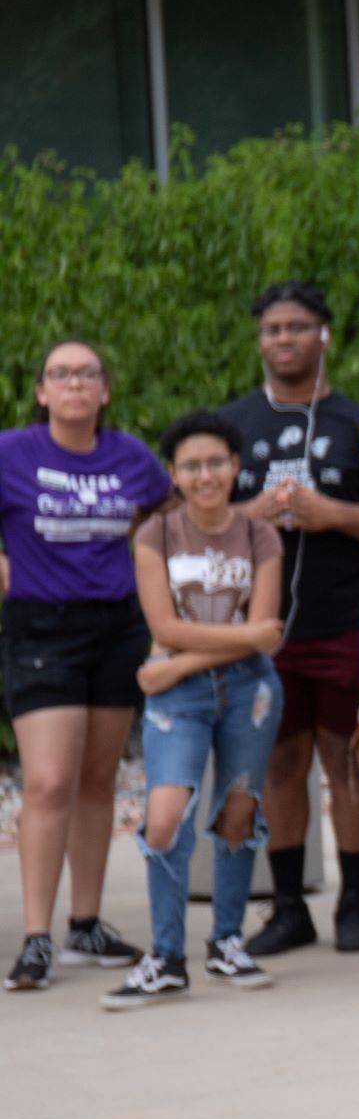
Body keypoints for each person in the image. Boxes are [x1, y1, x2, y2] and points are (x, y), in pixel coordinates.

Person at [102, 410, 284, 1008]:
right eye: (190, 466)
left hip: (245, 691)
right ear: (174, 475)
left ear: (235, 467)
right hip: (179, 699)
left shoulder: (261, 537)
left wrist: (179, 661)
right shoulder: (156, 535)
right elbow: (164, 623)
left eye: (216, 463)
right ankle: (166, 955)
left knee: (238, 812)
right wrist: (230, 644)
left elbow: (265, 638)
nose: (205, 475)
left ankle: (228, 941)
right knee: (164, 816)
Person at [225, 283, 359, 957]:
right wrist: (246, 516)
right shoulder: (233, 423)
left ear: (325, 335)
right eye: (272, 329)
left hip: (345, 616)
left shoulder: (357, 423)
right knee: (280, 762)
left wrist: (332, 515)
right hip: (266, 625)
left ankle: (354, 902)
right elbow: (190, 522)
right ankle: (289, 906)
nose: (283, 339)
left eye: (297, 327)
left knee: (347, 761)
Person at [2, 339, 168, 990]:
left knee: (99, 780)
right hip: (41, 627)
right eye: (60, 374)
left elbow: (166, 517)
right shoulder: (12, 452)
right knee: (47, 781)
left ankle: (86, 924)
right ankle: (37, 935)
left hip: (116, 626)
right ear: (42, 391)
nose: (74, 383)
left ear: (104, 390)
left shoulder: (130, 456)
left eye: (87, 373)